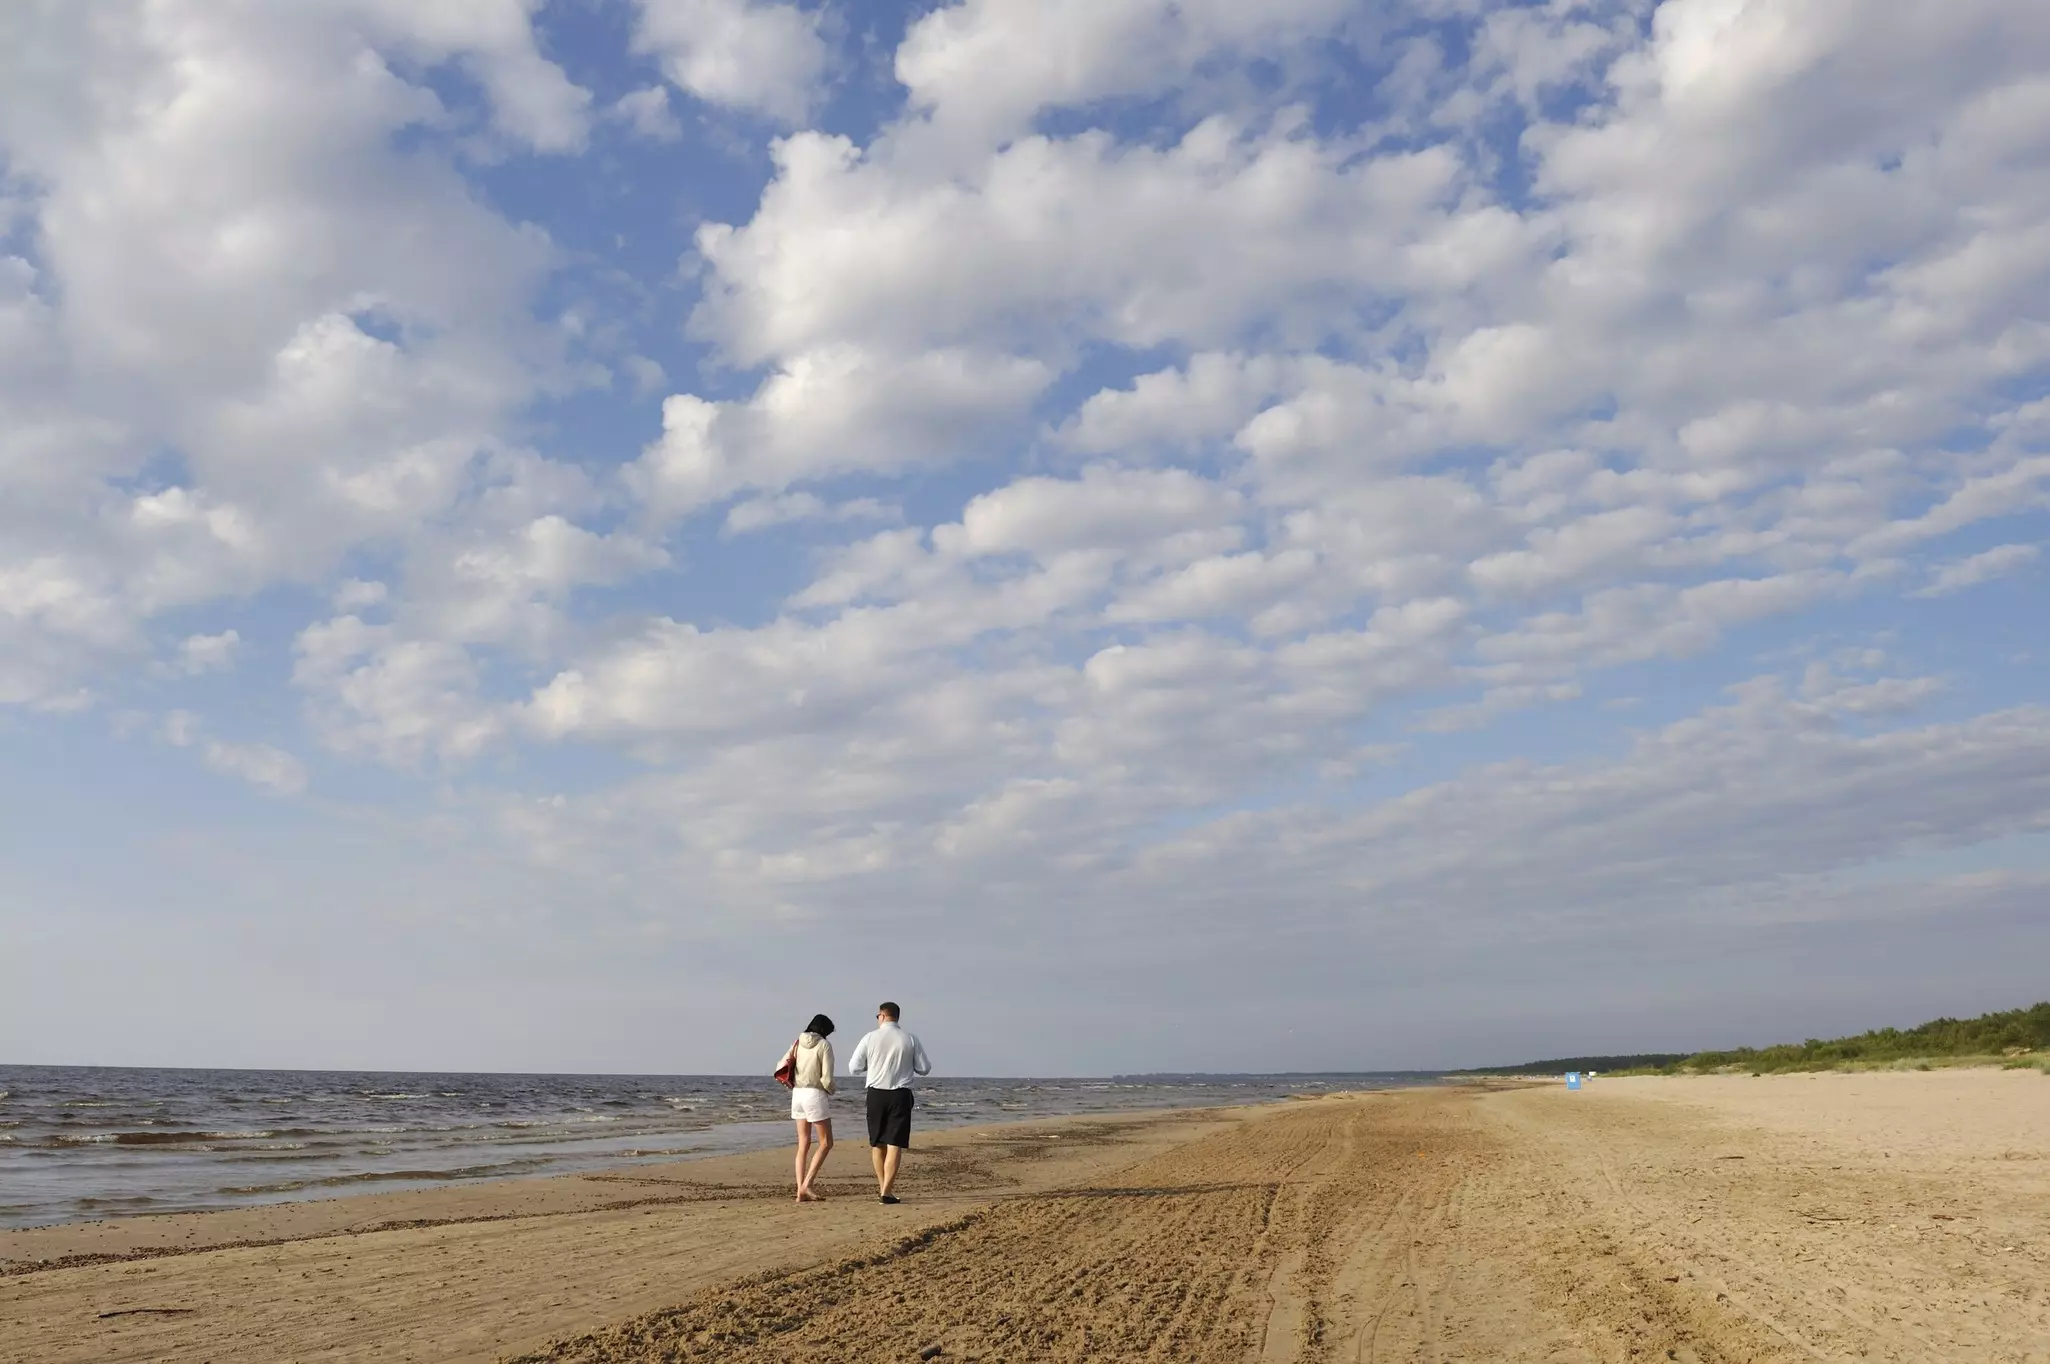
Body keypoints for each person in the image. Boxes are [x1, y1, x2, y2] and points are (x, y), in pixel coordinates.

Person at [846, 1001, 931, 1203]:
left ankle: (883, 1188)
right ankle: (887, 1190)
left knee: (877, 1143)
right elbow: (924, 1068)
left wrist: (873, 1063)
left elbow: (854, 1067)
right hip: (900, 1094)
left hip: (876, 1094)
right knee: (894, 1144)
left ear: (882, 1016)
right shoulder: (910, 1038)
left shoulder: (870, 1037)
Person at [778, 1014, 837, 1203]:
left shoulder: (797, 1042)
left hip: (798, 1094)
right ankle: (807, 1184)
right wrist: (832, 1090)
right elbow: (826, 1078)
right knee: (826, 1142)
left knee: (803, 1143)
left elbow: (781, 1064)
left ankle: (799, 1190)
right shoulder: (824, 1045)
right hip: (814, 1094)